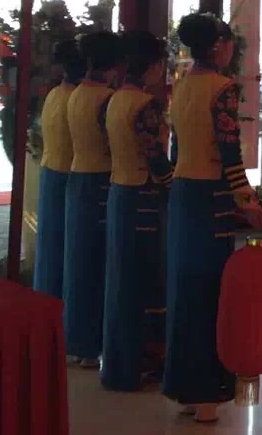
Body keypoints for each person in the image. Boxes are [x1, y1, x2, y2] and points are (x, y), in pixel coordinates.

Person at [163, 13, 262, 424]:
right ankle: (207, 393)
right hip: (211, 198)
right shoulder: (222, 89)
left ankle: (185, 388)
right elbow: (228, 152)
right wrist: (248, 200)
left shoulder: (183, 85)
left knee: (184, 290)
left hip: (183, 193)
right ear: (218, 46)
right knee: (211, 293)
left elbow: (177, 146)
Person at [101, 30, 173, 391]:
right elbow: (156, 157)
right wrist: (174, 187)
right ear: (153, 66)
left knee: (120, 280)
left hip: (119, 191)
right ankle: (143, 364)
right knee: (147, 281)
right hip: (143, 197)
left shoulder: (114, 100)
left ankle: (118, 366)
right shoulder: (146, 106)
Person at [63, 30, 123, 367]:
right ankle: (93, 344)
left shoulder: (75, 93)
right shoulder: (107, 98)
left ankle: (76, 340)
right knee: (100, 264)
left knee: (78, 261)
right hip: (101, 180)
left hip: (77, 178)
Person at [33, 39, 84, 299]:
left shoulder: (54, 94)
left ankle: (44, 299)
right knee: (67, 248)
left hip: (50, 172)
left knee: (49, 244)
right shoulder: (77, 99)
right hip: (68, 175)